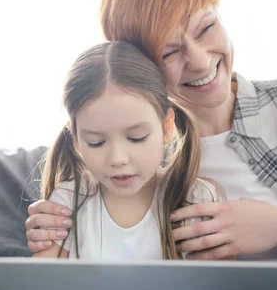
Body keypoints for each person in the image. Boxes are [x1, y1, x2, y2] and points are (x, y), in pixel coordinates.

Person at [26, 0, 277, 290]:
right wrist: (53, 227)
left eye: (206, 28)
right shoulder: (140, 164)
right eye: (170, 51)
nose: (200, 61)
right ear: (141, 67)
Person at [33, 41, 223, 260]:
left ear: (167, 127)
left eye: (136, 138)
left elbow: (218, 289)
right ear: (75, 138)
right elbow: (41, 289)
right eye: (96, 142)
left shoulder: (196, 200)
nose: (118, 159)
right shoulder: (68, 202)